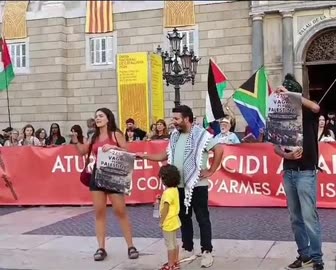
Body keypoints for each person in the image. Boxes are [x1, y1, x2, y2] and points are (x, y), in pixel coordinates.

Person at [137, 105, 224, 268]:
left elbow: (219, 149)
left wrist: (211, 170)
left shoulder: (201, 135)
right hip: (179, 185)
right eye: (173, 118)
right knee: (184, 217)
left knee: (202, 218)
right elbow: (165, 155)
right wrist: (145, 156)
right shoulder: (174, 136)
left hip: (198, 185)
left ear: (186, 119)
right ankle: (188, 247)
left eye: (176, 119)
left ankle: (207, 251)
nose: (173, 122)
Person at [71, 108, 139, 262]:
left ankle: (130, 246)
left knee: (120, 211)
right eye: (96, 116)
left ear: (108, 118)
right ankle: (101, 248)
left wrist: (113, 147)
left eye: (101, 116)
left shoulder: (116, 134)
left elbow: (128, 152)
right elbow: (83, 151)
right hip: (97, 174)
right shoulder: (93, 136)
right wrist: (76, 141)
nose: (97, 118)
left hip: (114, 174)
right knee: (99, 213)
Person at [272, 74, 324, 270]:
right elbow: (275, 147)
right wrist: (285, 156)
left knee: (310, 217)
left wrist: (292, 96)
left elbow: (316, 107)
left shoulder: (307, 112)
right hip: (289, 171)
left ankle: (317, 258)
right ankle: (304, 254)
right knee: (295, 218)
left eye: (287, 93)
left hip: (306, 172)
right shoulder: (281, 116)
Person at [158, 164, 182, 270]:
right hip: (175, 220)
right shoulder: (174, 190)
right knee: (175, 242)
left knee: (169, 245)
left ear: (164, 179)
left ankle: (170, 265)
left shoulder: (167, 193)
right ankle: (176, 261)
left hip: (168, 221)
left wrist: (161, 221)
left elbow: (165, 209)